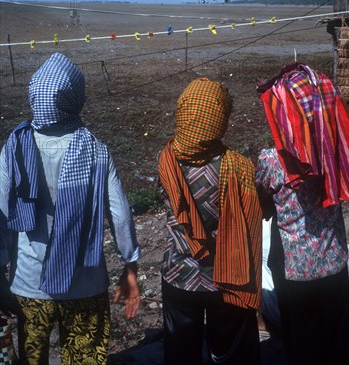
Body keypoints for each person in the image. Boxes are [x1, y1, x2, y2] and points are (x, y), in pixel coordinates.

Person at [0, 52, 141, 364]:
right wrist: (130, 266)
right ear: (76, 97)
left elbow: (1, 215)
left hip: (28, 282)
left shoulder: (14, 148)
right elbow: (120, 215)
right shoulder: (97, 151)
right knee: (85, 358)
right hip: (85, 283)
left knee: (32, 357)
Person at [255, 62, 349, 365]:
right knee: (336, 342)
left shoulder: (273, 160)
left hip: (295, 272)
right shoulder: (336, 152)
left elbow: (263, 204)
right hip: (334, 264)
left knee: (301, 346)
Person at [158, 77, 262, 365]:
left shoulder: (166, 160)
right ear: (220, 119)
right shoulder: (239, 167)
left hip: (179, 275)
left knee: (180, 351)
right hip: (227, 278)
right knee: (229, 352)